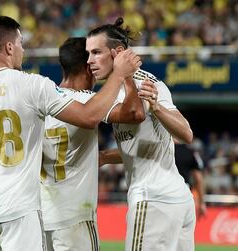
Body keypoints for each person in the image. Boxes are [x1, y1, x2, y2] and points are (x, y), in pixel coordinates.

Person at [0, 16, 141, 251]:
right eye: (20, 43)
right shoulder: (33, 86)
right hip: (22, 211)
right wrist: (120, 75)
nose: (23, 49)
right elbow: (95, 116)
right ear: (9, 47)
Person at [93, 18, 195, 251]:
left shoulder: (121, 91)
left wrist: (156, 108)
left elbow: (185, 134)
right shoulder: (153, 82)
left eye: (96, 52)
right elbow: (143, 142)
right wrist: (105, 157)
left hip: (152, 198)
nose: (90, 60)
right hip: (179, 198)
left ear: (118, 53)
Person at [41, 37, 145, 251]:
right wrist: (124, 75)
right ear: (88, 67)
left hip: (40, 217)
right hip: (75, 216)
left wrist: (105, 156)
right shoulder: (88, 101)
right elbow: (135, 112)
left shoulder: (43, 101)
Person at [175, 142, 206, 218]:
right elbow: (198, 179)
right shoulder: (191, 152)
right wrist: (201, 202)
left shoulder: (163, 149)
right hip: (183, 194)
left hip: (163, 194)